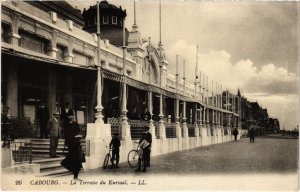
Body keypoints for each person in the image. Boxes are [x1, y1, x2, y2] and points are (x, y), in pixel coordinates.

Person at [61, 115, 83, 180]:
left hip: (75, 143)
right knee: (73, 158)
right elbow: (65, 134)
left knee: (76, 160)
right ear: (68, 118)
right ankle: (75, 174)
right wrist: (67, 140)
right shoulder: (66, 125)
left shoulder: (75, 124)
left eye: (72, 118)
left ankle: (75, 175)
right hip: (70, 143)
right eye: (70, 118)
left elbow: (78, 130)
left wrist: (75, 135)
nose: (71, 119)